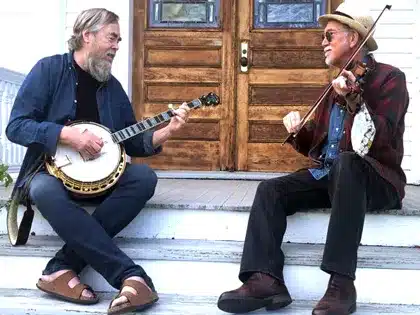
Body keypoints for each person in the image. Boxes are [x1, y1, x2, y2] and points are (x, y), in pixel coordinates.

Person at [217, 3, 409, 315]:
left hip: (377, 180)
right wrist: (299, 131)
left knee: (347, 164)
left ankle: (341, 284)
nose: (322, 41)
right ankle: (265, 280)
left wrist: (353, 99)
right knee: (270, 191)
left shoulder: (389, 79)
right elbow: (320, 149)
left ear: (352, 38)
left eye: (329, 35)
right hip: (334, 177)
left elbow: (380, 140)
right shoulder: (332, 88)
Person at [6, 8, 191, 315]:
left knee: (144, 179)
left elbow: (132, 142)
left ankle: (61, 267)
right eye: (112, 38)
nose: (117, 46)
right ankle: (129, 276)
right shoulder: (49, 70)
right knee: (42, 190)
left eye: (119, 39)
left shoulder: (112, 87)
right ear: (87, 36)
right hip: (50, 173)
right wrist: (66, 135)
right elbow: (16, 127)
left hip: (101, 180)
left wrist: (167, 132)